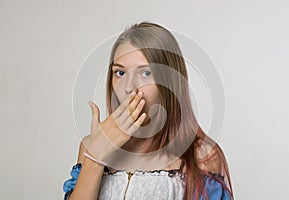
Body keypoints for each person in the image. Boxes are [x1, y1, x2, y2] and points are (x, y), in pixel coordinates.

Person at [63, 21, 234, 200]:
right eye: (120, 73)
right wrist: (95, 156)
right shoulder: (90, 146)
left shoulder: (202, 155)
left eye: (145, 73)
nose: (129, 87)